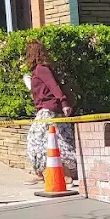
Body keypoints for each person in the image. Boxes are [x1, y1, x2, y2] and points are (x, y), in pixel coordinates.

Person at [24, 40, 77, 181]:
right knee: (55, 141)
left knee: (37, 140)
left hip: (49, 110)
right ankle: (44, 172)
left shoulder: (41, 69)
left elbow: (54, 87)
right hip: (49, 109)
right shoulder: (39, 70)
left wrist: (64, 103)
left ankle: (62, 174)